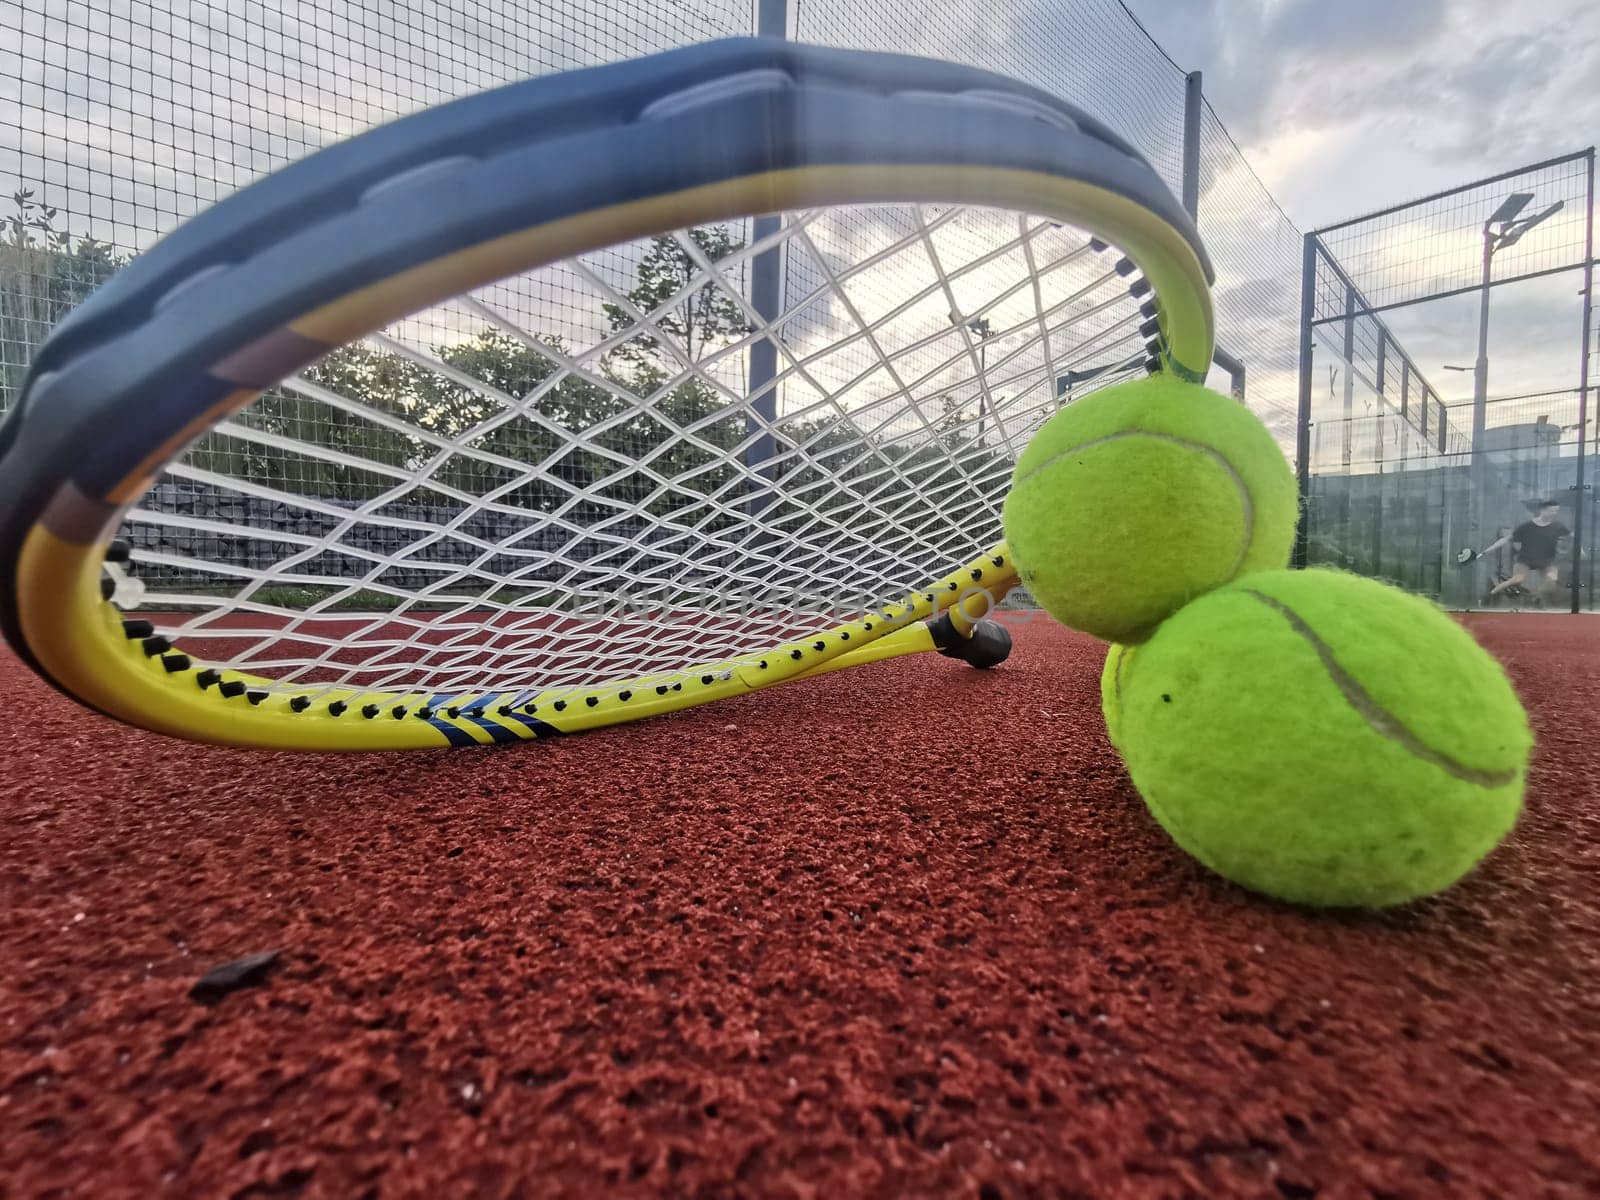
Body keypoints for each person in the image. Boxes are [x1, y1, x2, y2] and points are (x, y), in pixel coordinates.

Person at [1479, 501, 1570, 604]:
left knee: (1552, 580)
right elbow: (1506, 539)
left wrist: (1581, 550)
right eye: (1551, 511)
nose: (1554, 513)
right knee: (1517, 579)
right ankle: (1490, 594)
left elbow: (1572, 537)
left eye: (1556, 511)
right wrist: (1487, 550)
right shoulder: (1527, 526)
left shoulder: (1558, 526)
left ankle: (1535, 597)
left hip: (1547, 560)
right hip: (1526, 559)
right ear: (1542, 510)